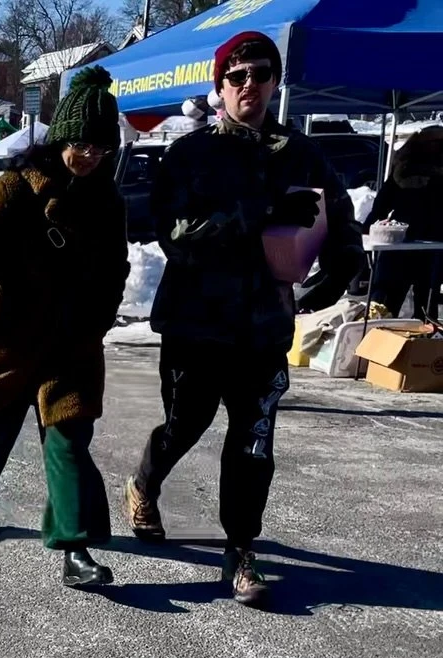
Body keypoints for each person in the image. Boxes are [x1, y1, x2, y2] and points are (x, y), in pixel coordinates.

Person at [123, 30, 363, 606]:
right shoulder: (191, 155)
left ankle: (240, 550)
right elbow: (177, 238)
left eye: (260, 73)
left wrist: (341, 263)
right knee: (186, 423)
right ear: (220, 87)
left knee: (254, 439)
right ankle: (144, 481)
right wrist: (256, 214)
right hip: (196, 323)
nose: (249, 84)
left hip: (262, 326)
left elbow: (340, 212)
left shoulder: (300, 153)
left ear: (276, 82)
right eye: (237, 76)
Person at [0, 66, 129, 589]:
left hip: (71, 345)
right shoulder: (13, 190)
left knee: (69, 441)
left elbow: (116, 269)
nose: (89, 157)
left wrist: (98, 321)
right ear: (61, 137)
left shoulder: (108, 203)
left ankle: (73, 550)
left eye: (100, 148)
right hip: (12, 341)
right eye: (81, 145)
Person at [364, 126, 443, 319]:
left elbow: (382, 202)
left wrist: (367, 226)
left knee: (413, 301)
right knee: (393, 299)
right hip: (408, 242)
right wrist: (366, 227)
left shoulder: (404, 168)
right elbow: (383, 202)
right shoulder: (406, 168)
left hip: (418, 243)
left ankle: (419, 343)